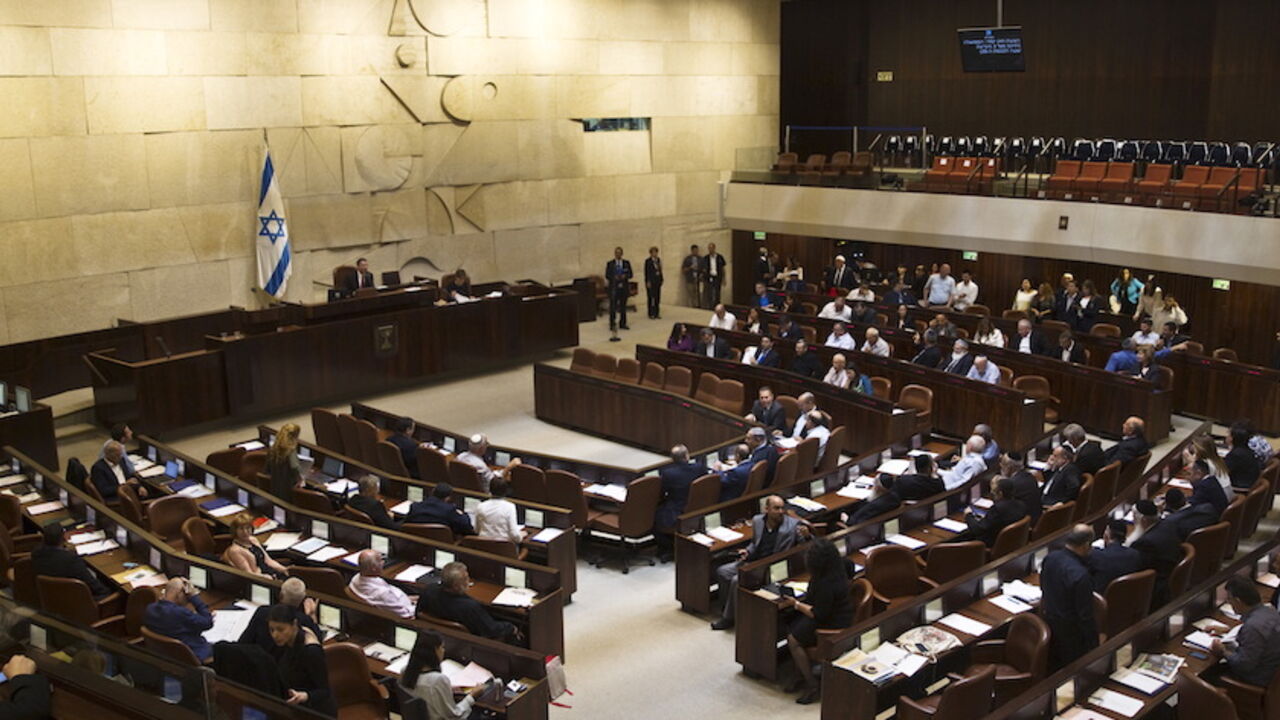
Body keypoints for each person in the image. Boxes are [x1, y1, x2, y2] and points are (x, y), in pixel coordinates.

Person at [712, 495, 809, 630]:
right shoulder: (758, 521)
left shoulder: (792, 525)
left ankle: (729, 618)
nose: (781, 511)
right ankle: (728, 608)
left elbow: (805, 546)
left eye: (782, 508)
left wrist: (807, 536)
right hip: (753, 561)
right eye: (776, 508)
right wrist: (747, 552)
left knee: (736, 580)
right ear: (766, 509)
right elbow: (754, 544)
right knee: (722, 571)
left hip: (771, 566)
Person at [785, 537, 853, 704]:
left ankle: (812, 684)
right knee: (791, 624)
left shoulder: (826, 584)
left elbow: (818, 614)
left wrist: (796, 604)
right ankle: (798, 673)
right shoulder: (837, 569)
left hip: (832, 622)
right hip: (834, 613)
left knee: (793, 640)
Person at [1041, 525, 1099, 667]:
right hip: (1072, 637)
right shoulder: (1080, 575)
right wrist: (1095, 647)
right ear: (1086, 545)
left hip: (1048, 624)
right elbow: (1085, 616)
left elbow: (1043, 587)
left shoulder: (1050, 558)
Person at [400, 630, 490, 720]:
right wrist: (472, 696)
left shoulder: (405, 672)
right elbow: (454, 716)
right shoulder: (437, 680)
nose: (443, 651)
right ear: (435, 650)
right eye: (442, 647)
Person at [265, 603, 336, 716]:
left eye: (280, 629)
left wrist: (305, 696)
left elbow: (324, 691)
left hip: (315, 711)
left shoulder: (311, 651)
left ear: (294, 624)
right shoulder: (286, 641)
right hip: (294, 705)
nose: (275, 635)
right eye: (271, 630)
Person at [418, 562, 519, 642]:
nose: (469, 581)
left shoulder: (429, 590)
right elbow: (491, 630)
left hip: (441, 638)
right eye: (466, 579)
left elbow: (419, 613)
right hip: (473, 642)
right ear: (456, 586)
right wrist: (511, 627)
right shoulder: (470, 607)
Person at [1210, 576, 1280, 687]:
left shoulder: (1253, 627)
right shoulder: (1271, 612)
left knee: (1208, 676)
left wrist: (1222, 652)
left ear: (1238, 601)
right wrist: (1228, 630)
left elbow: (1243, 665)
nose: (1229, 602)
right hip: (1272, 672)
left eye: (1229, 599)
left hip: (1258, 680)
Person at [32, 521, 112, 598]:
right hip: (78, 601)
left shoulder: (36, 553)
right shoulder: (71, 560)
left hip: (51, 597)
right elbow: (96, 588)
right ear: (63, 539)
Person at [239, 577, 321, 651]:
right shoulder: (305, 620)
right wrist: (312, 615)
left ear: (280, 595)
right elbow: (318, 643)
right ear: (302, 599)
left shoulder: (262, 611)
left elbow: (244, 642)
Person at [144, 577, 214, 663]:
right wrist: (194, 597)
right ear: (179, 594)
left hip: (167, 655)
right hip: (192, 654)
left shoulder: (150, 608)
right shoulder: (180, 613)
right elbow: (208, 622)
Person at [655, 445, 707, 559]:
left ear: (672, 459)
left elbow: (662, 493)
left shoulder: (668, 473)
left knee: (654, 517)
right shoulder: (700, 468)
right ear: (687, 456)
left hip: (677, 511)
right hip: (698, 509)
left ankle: (668, 548)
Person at [1130, 499, 1181, 607]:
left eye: (1134, 516)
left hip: (1155, 588)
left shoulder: (1145, 543)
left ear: (1143, 519)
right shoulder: (1168, 525)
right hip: (1169, 573)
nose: (1132, 520)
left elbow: (1136, 568)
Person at [951, 476, 1027, 547]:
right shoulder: (1021, 505)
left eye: (993, 492)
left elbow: (978, 529)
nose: (992, 495)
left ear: (1000, 494)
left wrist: (968, 515)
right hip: (1011, 544)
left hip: (991, 545)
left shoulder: (997, 509)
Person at [348, 549, 415, 619]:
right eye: (381, 560)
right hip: (406, 609)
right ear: (374, 568)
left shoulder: (355, 578)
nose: (383, 562)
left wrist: (408, 598)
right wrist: (417, 608)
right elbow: (405, 614)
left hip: (401, 600)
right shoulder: (382, 593)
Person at [224, 513, 289, 579]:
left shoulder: (253, 540)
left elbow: (268, 560)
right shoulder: (235, 551)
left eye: (248, 528)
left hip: (269, 571)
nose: (245, 532)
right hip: (260, 578)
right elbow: (249, 574)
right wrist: (267, 578)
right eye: (241, 529)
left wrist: (284, 569)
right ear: (235, 530)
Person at [455, 433, 520, 494]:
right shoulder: (479, 465)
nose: (487, 446)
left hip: (464, 489)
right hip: (485, 494)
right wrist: (508, 467)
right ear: (481, 449)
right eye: (486, 444)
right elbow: (494, 482)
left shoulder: (460, 457)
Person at [1090, 519, 1142, 593]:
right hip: (1128, 596)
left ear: (1107, 535)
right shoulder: (1135, 554)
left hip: (1102, 600)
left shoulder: (1097, 555)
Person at [405, 483, 475, 536]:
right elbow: (466, 526)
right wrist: (462, 514)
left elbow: (405, 524)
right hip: (443, 544)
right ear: (448, 498)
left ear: (432, 492)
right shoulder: (449, 510)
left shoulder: (415, 506)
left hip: (418, 543)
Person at [90, 439, 145, 503]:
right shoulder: (98, 468)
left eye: (121, 454)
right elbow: (104, 491)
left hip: (129, 491)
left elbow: (129, 476)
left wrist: (139, 487)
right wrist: (124, 485)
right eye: (118, 455)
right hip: (116, 498)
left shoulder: (121, 460)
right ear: (109, 455)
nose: (121, 457)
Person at [476, 476, 522, 545]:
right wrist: (521, 536)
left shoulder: (480, 506)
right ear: (506, 491)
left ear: (490, 490)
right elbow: (515, 535)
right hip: (503, 548)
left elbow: (477, 530)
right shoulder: (510, 507)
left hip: (484, 546)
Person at [265, 422, 304, 501]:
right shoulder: (290, 450)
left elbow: (267, 469)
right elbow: (294, 467)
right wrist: (300, 479)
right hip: (288, 491)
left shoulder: (273, 448)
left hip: (275, 488)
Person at [1002, 452, 1043, 524]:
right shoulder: (1030, 476)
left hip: (1023, 524)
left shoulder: (1012, 484)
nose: (1001, 467)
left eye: (1003, 464)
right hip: (1035, 519)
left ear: (1009, 467)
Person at [1226, 422, 1263, 492]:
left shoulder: (1235, 455)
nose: (1227, 436)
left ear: (1232, 438)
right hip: (1247, 483)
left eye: (1228, 434)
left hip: (1239, 489)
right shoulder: (1248, 450)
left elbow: (1222, 473)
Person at [605, 246, 632, 331]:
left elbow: (630, 274)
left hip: (623, 288)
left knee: (623, 307)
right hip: (614, 288)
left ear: (622, 254)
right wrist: (614, 277)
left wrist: (625, 276)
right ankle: (612, 323)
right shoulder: (610, 264)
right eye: (617, 253)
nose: (618, 254)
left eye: (620, 253)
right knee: (613, 307)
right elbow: (607, 275)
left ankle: (623, 323)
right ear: (615, 254)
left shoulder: (626, 263)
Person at [701, 241, 726, 307]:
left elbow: (723, 268)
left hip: (717, 276)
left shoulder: (720, 257)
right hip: (709, 277)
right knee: (710, 292)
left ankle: (717, 305)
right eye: (709, 248)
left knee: (717, 292)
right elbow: (703, 268)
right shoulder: (706, 258)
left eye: (711, 248)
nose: (710, 249)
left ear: (714, 248)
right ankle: (710, 306)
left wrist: (724, 278)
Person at [643, 245, 663, 319]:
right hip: (651, 281)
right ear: (650, 253)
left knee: (657, 297)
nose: (655, 254)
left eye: (656, 252)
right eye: (653, 252)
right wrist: (647, 281)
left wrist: (661, 279)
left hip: (657, 281)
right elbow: (646, 272)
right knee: (651, 298)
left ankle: (657, 313)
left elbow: (660, 270)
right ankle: (650, 313)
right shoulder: (648, 261)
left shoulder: (658, 260)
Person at [682, 244, 702, 308]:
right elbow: (683, 270)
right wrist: (690, 267)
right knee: (691, 293)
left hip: (698, 279)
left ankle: (697, 306)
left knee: (697, 293)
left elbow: (704, 268)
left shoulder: (700, 259)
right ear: (691, 250)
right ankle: (691, 306)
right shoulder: (687, 259)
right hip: (690, 279)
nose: (696, 252)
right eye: (694, 250)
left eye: (697, 250)